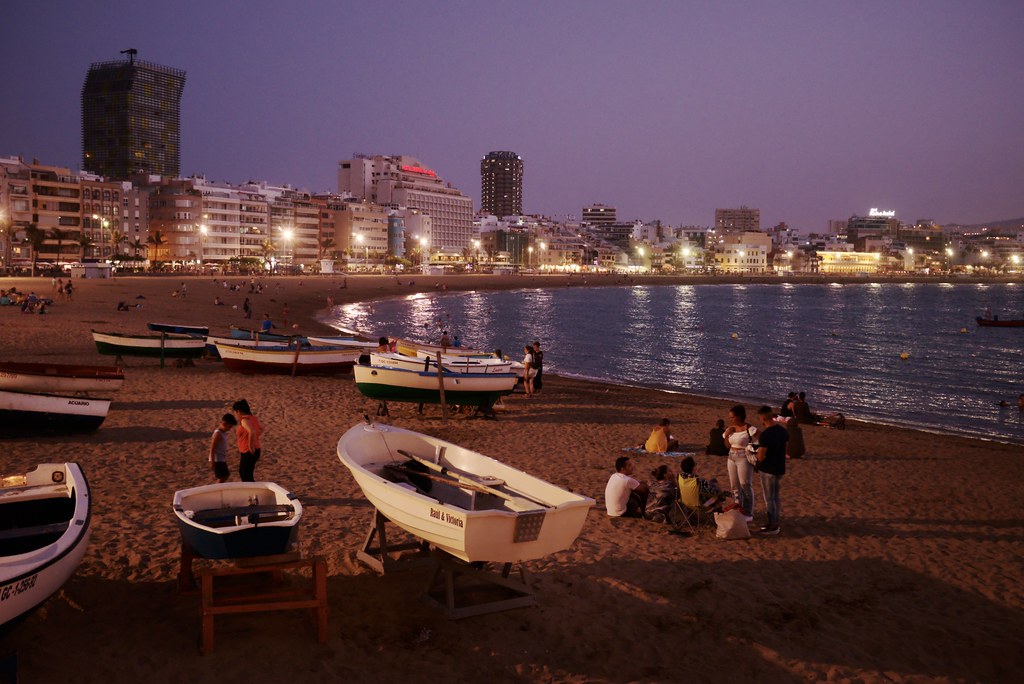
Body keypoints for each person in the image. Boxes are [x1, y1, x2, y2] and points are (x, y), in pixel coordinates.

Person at [754, 406, 788, 535]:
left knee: (769, 498)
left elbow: (761, 455)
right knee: (775, 497)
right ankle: (774, 521)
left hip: (769, 469)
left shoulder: (766, 434)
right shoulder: (782, 431)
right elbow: (785, 449)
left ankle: (773, 524)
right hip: (780, 467)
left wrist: (756, 459)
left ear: (763, 418)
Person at [723, 404, 757, 520]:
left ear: (739, 416)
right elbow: (727, 445)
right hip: (731, 456)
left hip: (743, 457)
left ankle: (748, 511)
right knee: (735, 485)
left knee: (745, 485)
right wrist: (727, 434)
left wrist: (752, 448)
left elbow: (762, 438)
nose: (731, 420)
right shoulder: (730, 429)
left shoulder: (749, 428)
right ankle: (738, 506)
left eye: (732, 417)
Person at [232, 399, 263, 482]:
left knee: (245, 474)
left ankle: (252, 492)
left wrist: (250, 445)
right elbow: (260, 429)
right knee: (247, 474)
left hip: (248, 451)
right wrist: (255, 439)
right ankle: (252, 492)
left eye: (235, 412)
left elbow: (252, 431)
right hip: (255, 449)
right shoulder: (253, 418)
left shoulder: (244, 420)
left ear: (238, 411)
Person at [209, 413, 238, 483]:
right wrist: (212, 462)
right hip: (217, 460)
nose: (229, 429)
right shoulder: (218, 434)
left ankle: (216, 488)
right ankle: (215, 489)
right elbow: (212, 448)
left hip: (221, 458)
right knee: (223, 476)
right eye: (229, 427)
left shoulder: (223, 433)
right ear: (224, 424)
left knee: (225, 475)